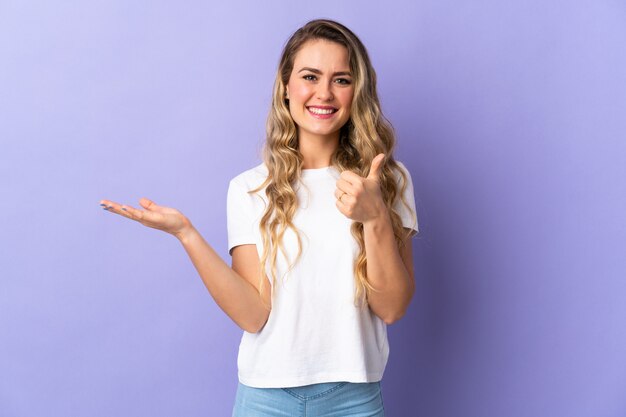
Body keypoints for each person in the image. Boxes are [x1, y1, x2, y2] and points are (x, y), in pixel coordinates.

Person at [100, 18, 418, 417]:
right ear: (286, 86)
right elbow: (254, 315)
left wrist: (374, 219)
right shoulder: (250, 189)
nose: (324, 93)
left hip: (354, 399)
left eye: (341, 79)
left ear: (358, 91)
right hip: (266, 399)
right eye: (310, 76)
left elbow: (392, 308)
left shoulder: (388, 180)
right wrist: (186, 234)